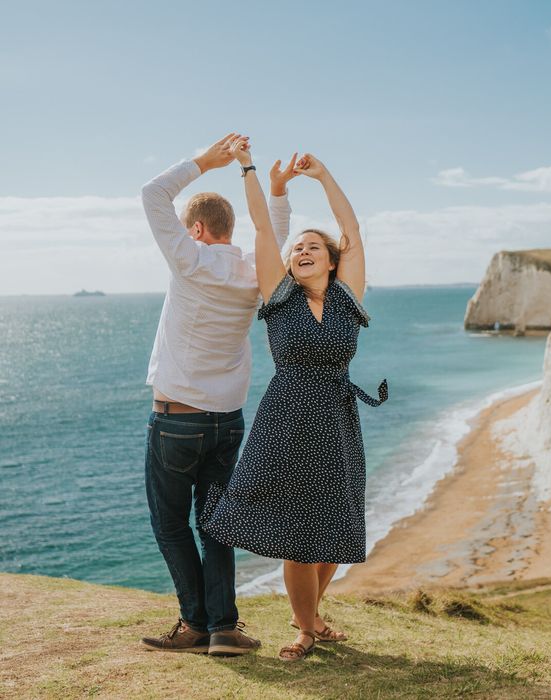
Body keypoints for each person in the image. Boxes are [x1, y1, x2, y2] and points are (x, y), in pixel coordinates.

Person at [202, 138, 387, 662]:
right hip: (285, 420)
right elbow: (263, 227)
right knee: (296, 533)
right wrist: (248, 168)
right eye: (297, 249)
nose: (302, 251)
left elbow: (352, 232)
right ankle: (306, 631)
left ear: (331, 261)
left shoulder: (349, 300)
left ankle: (311, 614)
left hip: (337, 419)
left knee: (334, 528)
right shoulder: (279, 298)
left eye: (313, 247)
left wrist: (324, 176)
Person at [139, 134, 297, 656]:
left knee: (169, 524)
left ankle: (195, 623)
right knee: (217, 524)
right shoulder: (254, 273)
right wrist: (274, 191)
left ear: (198, 229)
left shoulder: (190, 259)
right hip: (227, 422)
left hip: (177, 420)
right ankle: (224, 627)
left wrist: (203, 163)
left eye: (188, 229)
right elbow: (275, 235)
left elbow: (151, 193)